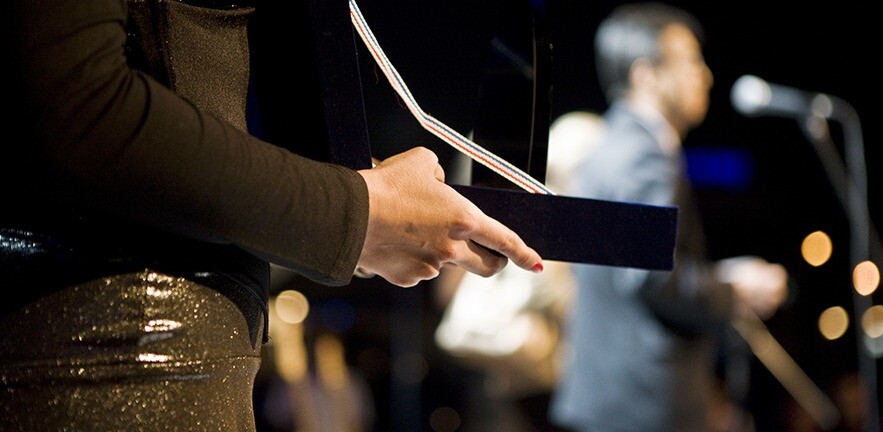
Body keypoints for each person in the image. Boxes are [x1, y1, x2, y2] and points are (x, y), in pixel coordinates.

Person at [0, 0, 543, 431]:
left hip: (167, 358)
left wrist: (363, 194)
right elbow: (76, 103)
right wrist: (358, 212)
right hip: (106, 358)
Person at [548, 3, 789, 432]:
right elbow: (651, 276)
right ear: (646, 75)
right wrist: (734, 291)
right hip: (643, 403)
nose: (706, 76)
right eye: (692, 62)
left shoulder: (611, 145)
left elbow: (635, 263)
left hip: (611, 396)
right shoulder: (644, 155)